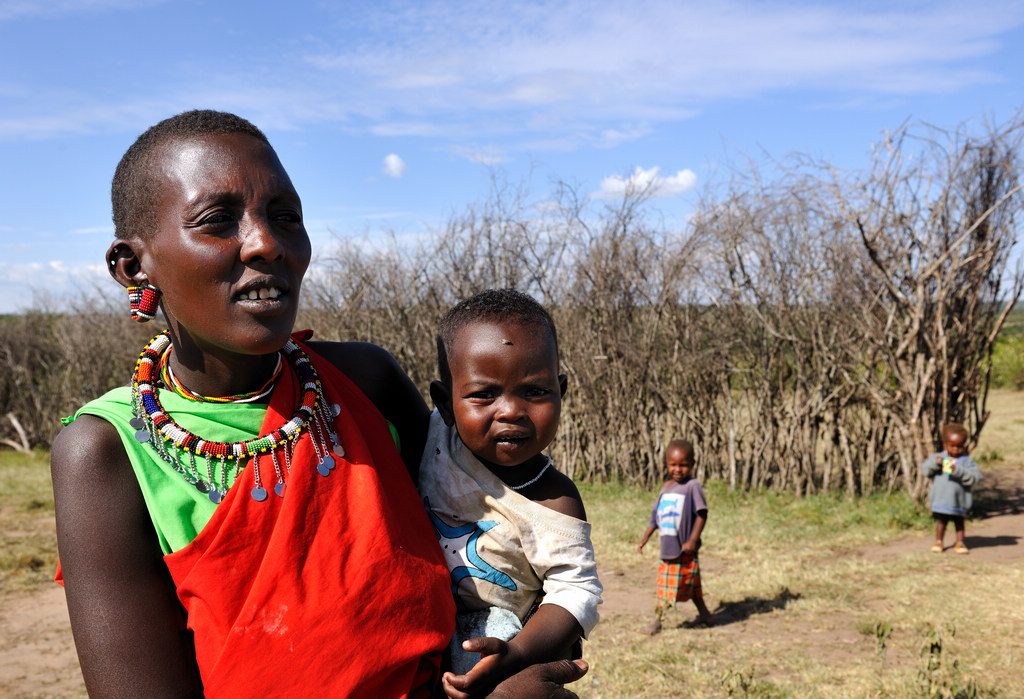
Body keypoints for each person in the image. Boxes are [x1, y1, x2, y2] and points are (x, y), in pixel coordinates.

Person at [50, 110, 588, 697]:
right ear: (134, 267)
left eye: (285, 217)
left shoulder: (365, 380)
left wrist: (518, 661)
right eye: (217, 221)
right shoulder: (106, 453)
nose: (266, 243)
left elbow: (496, 534)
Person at [419, 289, 602, 698]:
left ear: (561, 392)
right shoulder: (433, 441)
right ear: (444, 405)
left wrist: (516, 653)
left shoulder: (553, 501)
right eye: (484, 394)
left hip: (501, 648)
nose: (511, 410)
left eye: (535, 392)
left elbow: (577, 591)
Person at [636, 439, 713, 635]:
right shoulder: (666, 487)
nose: (678, 469)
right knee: (690, 585)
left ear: (692, 464)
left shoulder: (692, 486)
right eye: (673, 465)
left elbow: (702, 514)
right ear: (667, 464)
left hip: (684, 549)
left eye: (683, 465)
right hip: (668, 548)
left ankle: (657, 622)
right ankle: (704, 614)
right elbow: (655, 517)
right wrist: (646, 537)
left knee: (668, 587)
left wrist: (693, 540)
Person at [920, 422, 983, 554]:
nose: (956, 449)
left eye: (959, 446)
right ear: (945, 444)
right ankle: (938, 541)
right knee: (941, 522)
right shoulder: (938, 458)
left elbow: (974, 478)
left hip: (959, 502)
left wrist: (958, 471)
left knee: (959, 523)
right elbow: (925, 470)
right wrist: (936, 464)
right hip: (941, 501)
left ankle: (960, 543)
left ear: (964, 445)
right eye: (952, 446)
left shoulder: (967, 462)